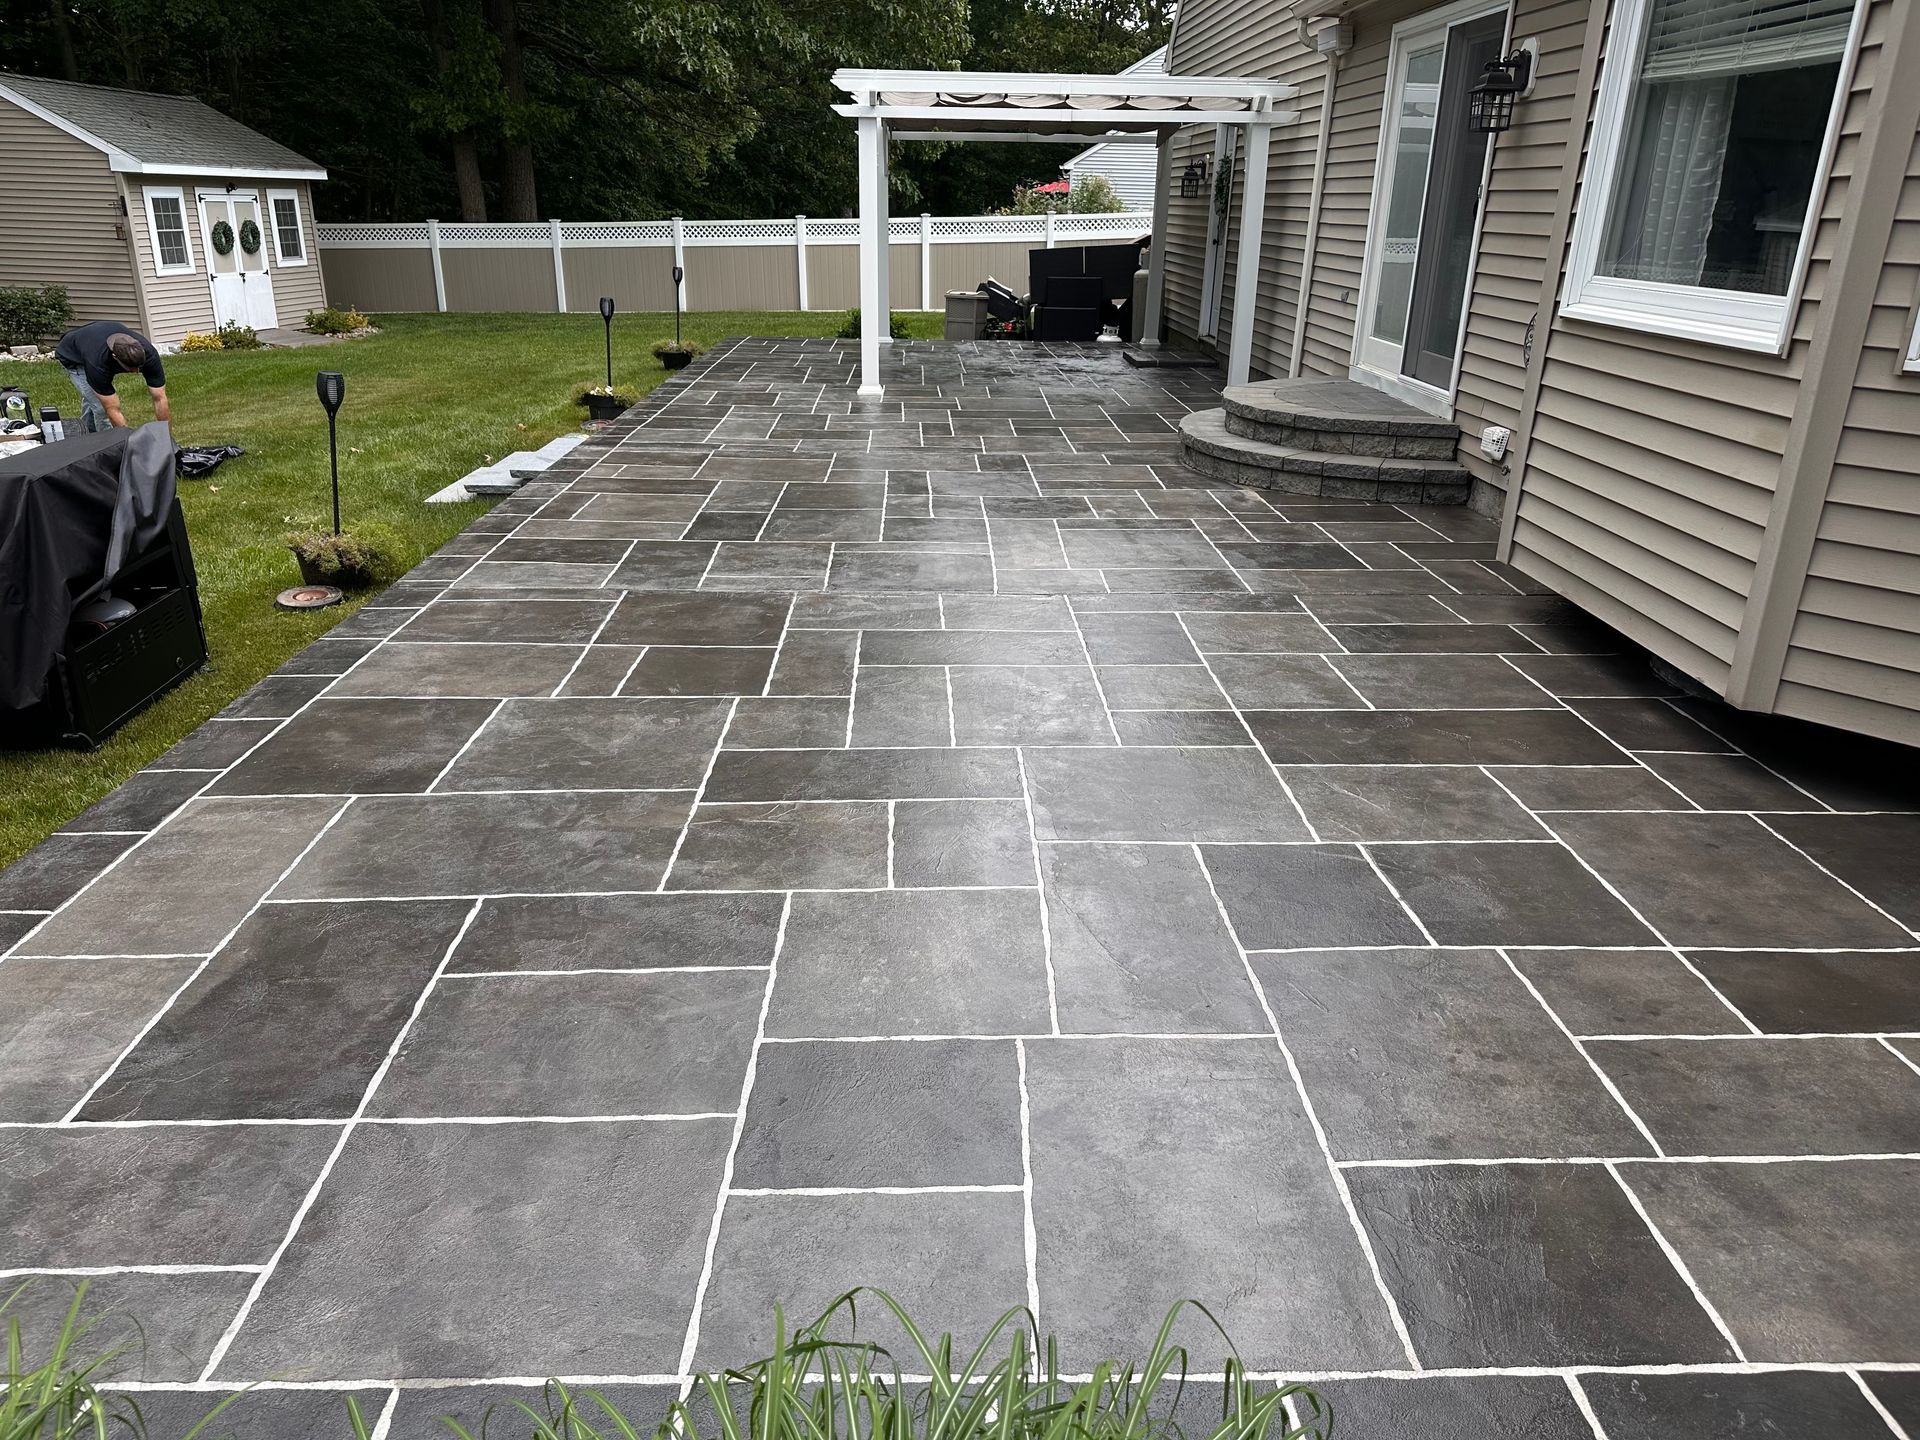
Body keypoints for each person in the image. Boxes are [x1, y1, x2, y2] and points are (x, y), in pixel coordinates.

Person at [53, 321, 171, 433]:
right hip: (72, 356)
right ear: (115, 357)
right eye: (130, 367)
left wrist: (166, 438)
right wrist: (127, 445)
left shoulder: (149, 354)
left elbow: (160, 398)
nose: (136, 371)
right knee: (100, 408)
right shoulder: (97, 363)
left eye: (139, 366)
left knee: (93, 399)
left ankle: (87, 435)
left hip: (94, 339)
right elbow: (112, 409)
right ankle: (106, 445)